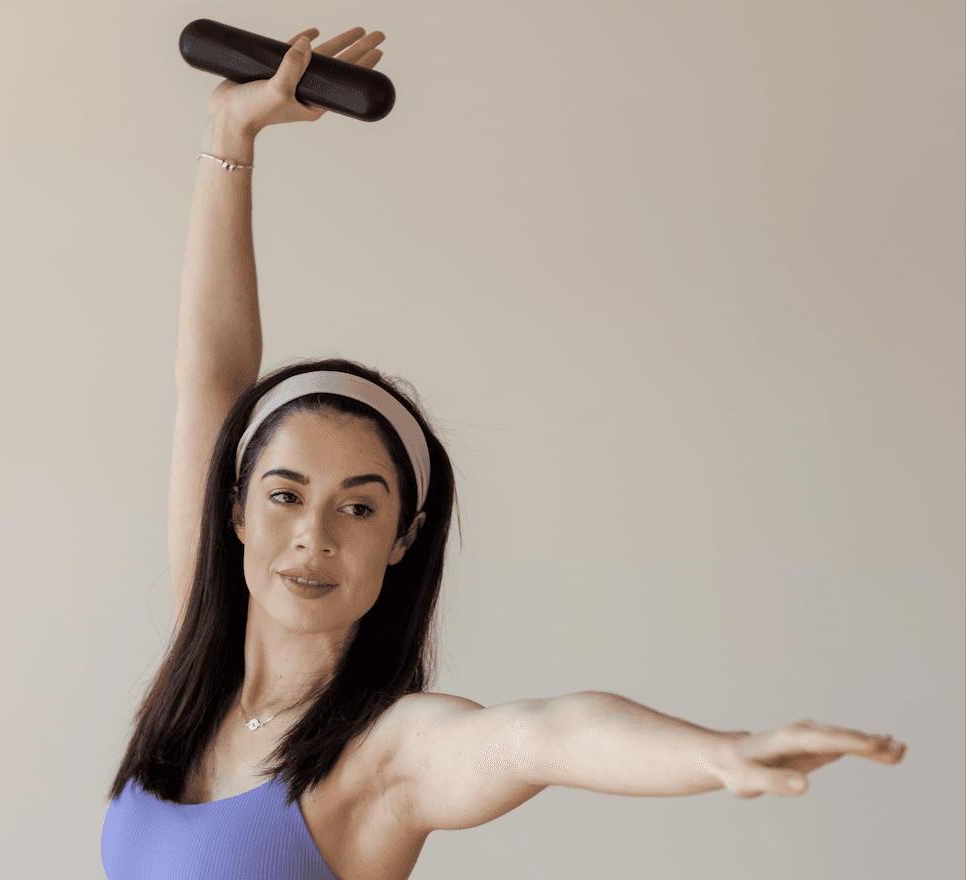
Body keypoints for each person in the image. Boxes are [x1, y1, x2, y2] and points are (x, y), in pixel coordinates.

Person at [100, 26, 907, 880]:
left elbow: (542, 736)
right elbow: (214, 378)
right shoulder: (204, 658)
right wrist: (231, 136)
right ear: (234, 510)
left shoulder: (387, 756)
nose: (313, 534)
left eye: (360, 506)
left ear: (404, 539)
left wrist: (719, 752)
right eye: (285, 495)